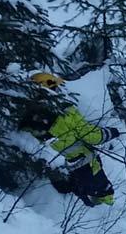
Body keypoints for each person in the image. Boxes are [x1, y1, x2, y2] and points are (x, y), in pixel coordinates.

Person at [18, 72, 120, 207]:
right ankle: (102, 206)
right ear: (50, 89)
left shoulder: (28, 116)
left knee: (75, 188)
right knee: (103, 190)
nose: (59, 90)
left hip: (60, 164)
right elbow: (92, 136)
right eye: (56, 88)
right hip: (84, 162)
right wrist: (111, 133)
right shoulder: (66, 112)